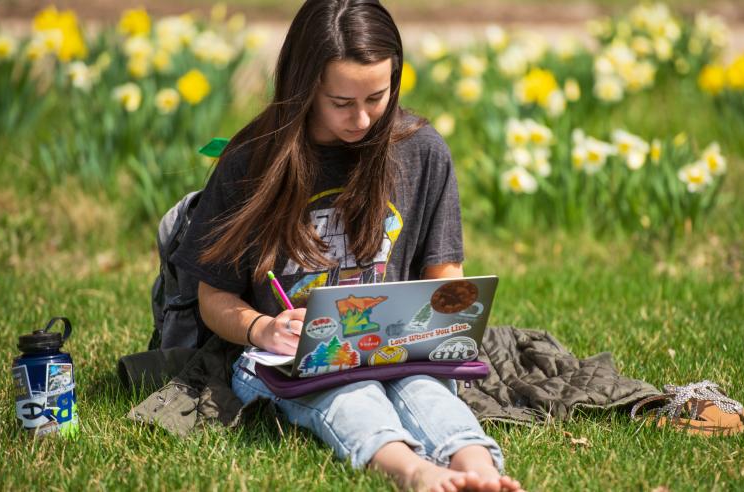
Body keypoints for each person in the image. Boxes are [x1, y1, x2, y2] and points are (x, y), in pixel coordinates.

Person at [171, 1, 523, 491]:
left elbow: (445, 275)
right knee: (351, 394)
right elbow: (214, 300)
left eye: (377, 98)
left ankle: (480, 471)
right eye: (342, 102)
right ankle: (413, 472)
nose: (362, 119)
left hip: (392, 349)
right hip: (281, 360)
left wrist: (446, 322)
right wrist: (262, 328)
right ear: (306, 85)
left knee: (427, 391)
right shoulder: (254, 160)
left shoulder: (420, 149)